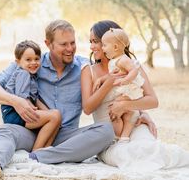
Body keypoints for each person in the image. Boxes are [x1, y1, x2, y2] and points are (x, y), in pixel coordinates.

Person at [0, 19, 115, 180]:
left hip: (66, 138)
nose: (70, 49)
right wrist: (17, 101)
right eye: (63, 44)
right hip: (30, 132)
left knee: (106, 131)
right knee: (6, 130)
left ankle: (33, 158)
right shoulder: (31, 62)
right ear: (48, 43)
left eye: (73, 43)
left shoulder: (83, 66)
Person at [81, 20, 189, 172]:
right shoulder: (89, 71)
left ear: (114, 44)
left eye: (96, 42)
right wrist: (110, 81)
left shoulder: (132, 66)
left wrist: (128, 107)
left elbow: (152, 100)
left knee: (148, 148)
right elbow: (87, 108)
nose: (92, 47)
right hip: (109, 138)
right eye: (90, 41)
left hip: (135, 126)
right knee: (126, 155)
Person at [1, 39, 61, 150]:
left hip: (21, 112)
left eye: (36, 59)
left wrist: (48, 112)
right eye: (28, 60)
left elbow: (35, 99)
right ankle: (35, 152)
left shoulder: (32, 76)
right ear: (18, 62)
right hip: (15, 114)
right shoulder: (23, 74)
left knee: (56, 116)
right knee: (54, 116)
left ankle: (46, 149)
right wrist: (44, 114)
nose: (33, 63)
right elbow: (23, 99)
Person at [93, 27, 145, 141]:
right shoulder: (115, 61)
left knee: (116, 109)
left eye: (105, 45)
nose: (102, 48)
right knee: (120, 112)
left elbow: (134, 70)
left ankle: (123, 135)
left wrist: (126, 80)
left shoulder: (123, 59)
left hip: (129, 89)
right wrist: (101, 80)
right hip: (124, 89)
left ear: (115, 47)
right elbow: (113, 75)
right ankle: (123, 135)